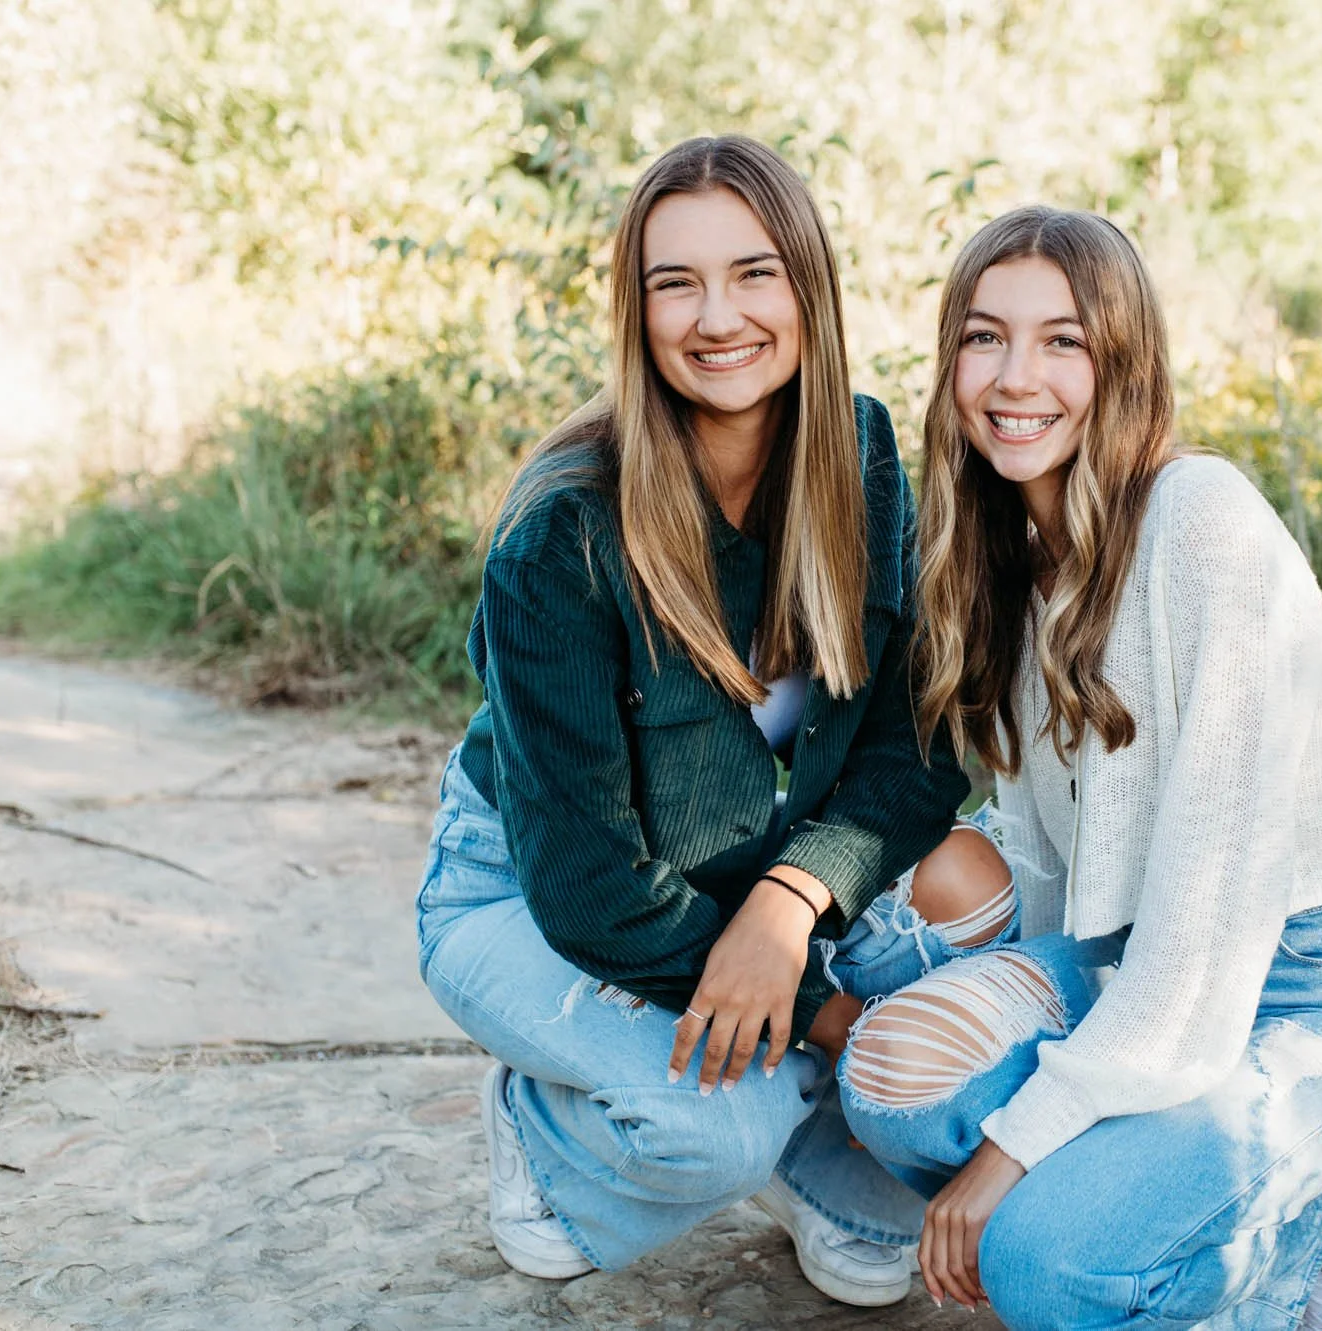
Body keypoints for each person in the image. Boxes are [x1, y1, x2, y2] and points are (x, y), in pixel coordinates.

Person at [413, 135, 1015, 1308]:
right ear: (635, 313)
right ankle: (546, 1120)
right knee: (713, 1130)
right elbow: (586, 878)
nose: (715, 315)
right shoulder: (562, 536)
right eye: (672, 282)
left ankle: (823, 1161)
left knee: (968, 886)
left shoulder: (862, 452)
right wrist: (835, 1022)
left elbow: (916, 748)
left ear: (807, 288)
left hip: (753, 869)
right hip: (532, 893)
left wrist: (789, 906)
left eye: (753, 273)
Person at [836, 205, 1322, 1330]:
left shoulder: (1202, 524)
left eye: (1062, 340)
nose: (1016, 377)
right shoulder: (1012, 559)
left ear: (1122, 363)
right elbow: (1043, 845)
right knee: (891, 1082)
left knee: (1040, 1263)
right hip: (1130, 970)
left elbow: (1207, 936)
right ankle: (1188, 1219)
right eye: (984, 337)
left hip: (1311, 994)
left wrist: (1014, 1149)